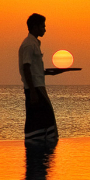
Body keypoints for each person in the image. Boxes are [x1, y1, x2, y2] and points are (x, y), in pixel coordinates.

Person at [19, 13, 68, 145]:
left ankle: (41, 155)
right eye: (42, 26)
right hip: (35, 89)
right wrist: (34, 92)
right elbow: (26, 68)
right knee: (43, 120)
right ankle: (37, 152)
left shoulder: (34, 43)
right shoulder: (29, 44)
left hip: (38, 87)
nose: (45, 29)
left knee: (42, 121)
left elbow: (34, 70)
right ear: (35, 27)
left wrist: (49, 72)